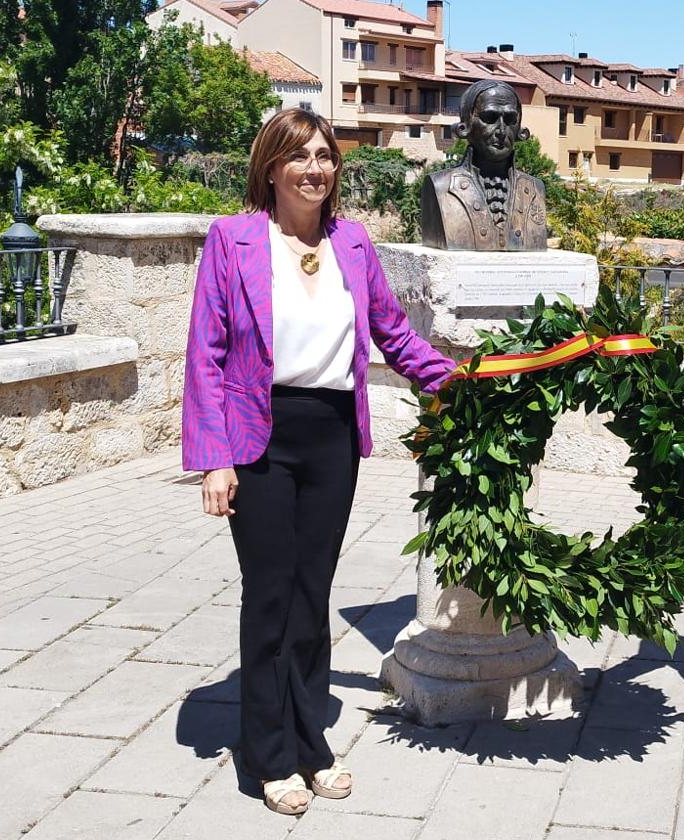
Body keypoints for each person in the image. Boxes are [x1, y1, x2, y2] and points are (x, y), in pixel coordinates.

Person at [181, 108, 456, 814]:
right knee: (269, 593)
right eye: (299, 155)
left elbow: (394, 333)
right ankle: (268, 753)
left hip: (332, 434)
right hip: (259, 433)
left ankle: (312, 740)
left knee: (313, 591)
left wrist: (456, 379)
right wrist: (215, 459)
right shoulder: (233, 239)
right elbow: (206, 356)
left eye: (325, 155)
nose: (315, 167)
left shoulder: (354, 244)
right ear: (271, 167)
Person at [420, 79, 547, 251]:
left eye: (510, 120)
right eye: (489, 118)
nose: (502, 131)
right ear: (465, 126)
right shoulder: (440, 186)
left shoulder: (535, 189)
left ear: (519, 130)